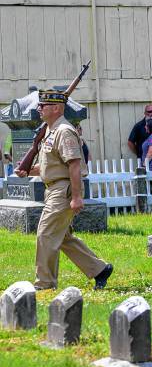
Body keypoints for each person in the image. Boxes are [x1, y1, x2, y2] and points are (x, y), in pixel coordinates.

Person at [15, 90, 113, 291]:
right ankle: (99, 269)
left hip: (64, 189)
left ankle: (45, 284)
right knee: (62, 237)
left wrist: (77, 197)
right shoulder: (50, 132)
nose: (39, 109)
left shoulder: (63, 131)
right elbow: (53, 165)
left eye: (43, 106)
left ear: (57, 108)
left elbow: (74, 165)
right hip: (53, 189)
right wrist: (28, 170)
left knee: (46, 234)